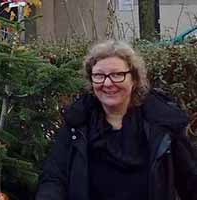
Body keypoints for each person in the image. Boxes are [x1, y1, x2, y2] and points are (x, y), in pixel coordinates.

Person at [36, 40, 197, 200]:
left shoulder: (162, 123)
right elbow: (54, 179)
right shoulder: (78, 124)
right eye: (99, 76)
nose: (107, 83)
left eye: (117, 75)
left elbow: (190, 181)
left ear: (134, 79)